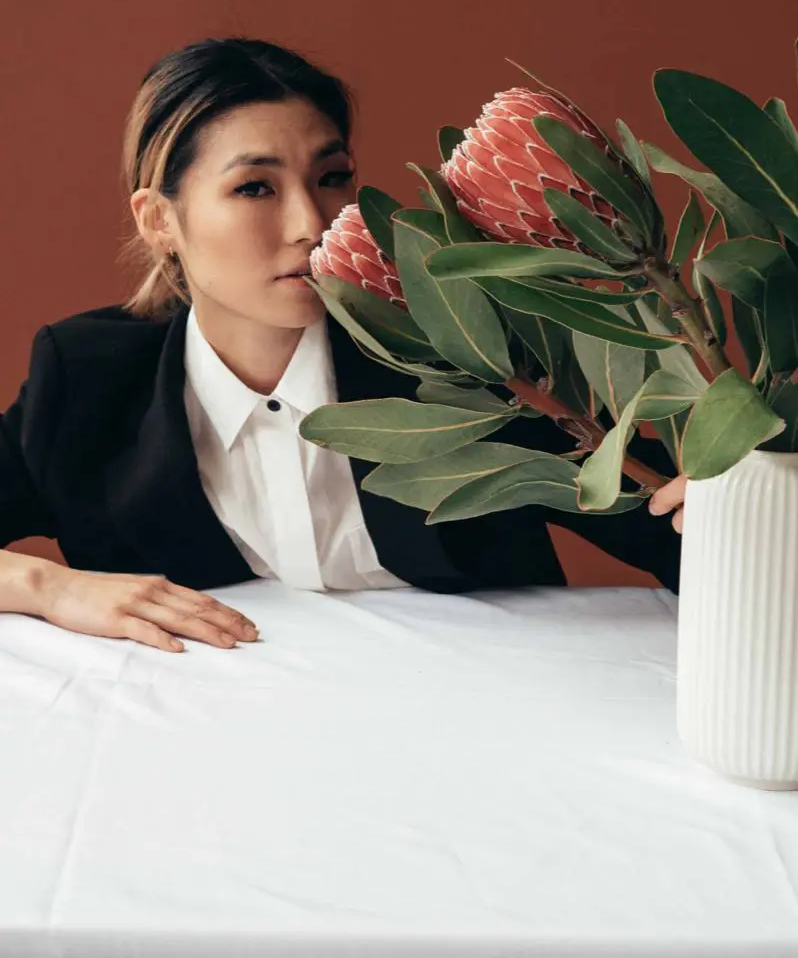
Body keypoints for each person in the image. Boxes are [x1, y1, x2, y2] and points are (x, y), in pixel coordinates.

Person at [0, 38, 685, 654]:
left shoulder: (461, 353)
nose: (311, 222)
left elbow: (673, 532)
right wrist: (50, 586)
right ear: (159, 220)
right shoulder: (87, 379)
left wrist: (719, 503)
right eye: (254, 187)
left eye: (331, 178)